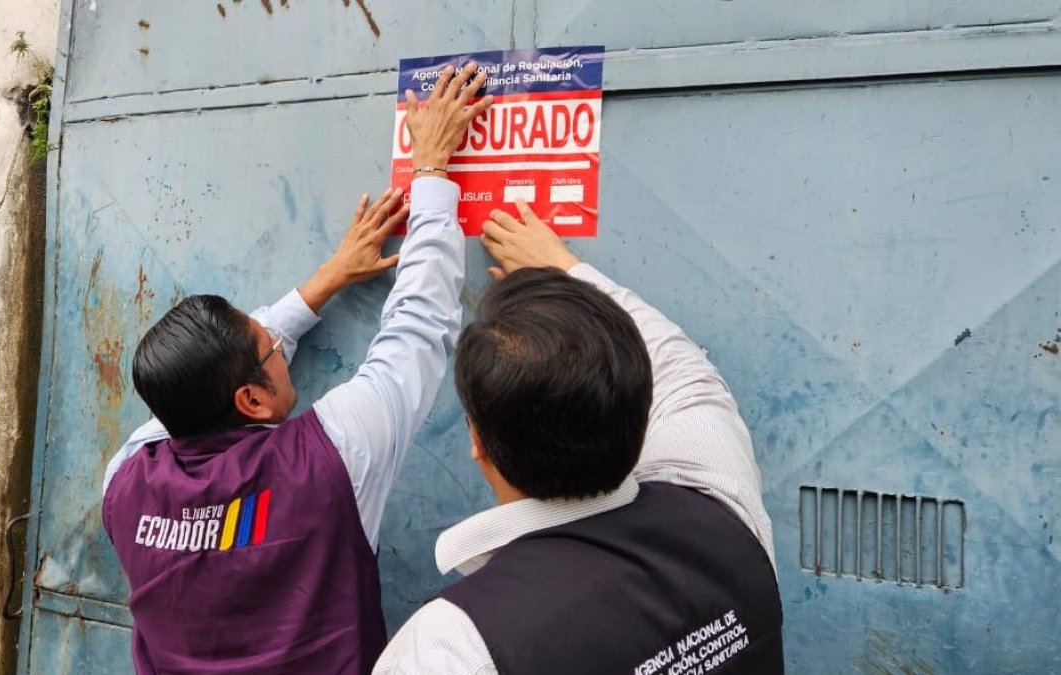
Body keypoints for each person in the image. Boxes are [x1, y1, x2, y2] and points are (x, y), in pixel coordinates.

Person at [100, 63, 493, 674]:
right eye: (270, 346)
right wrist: (434, 170)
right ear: (250, 401)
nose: (281, 346)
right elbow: (417, 328)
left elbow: (192, 383)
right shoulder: (331, 457)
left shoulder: (124, 479)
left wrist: (323, 282)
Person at [374, 203, 784, 674]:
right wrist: (567, 271)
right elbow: (683, 371)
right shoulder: (721, 501)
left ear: (478, 442)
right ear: (641, 410)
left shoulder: (453, 645)